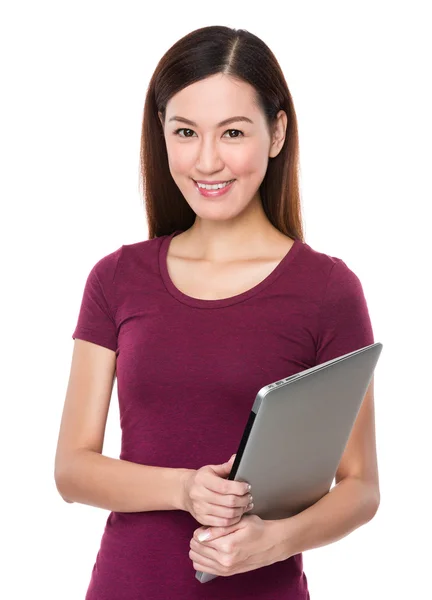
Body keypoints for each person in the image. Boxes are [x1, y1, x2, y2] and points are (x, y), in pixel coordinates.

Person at [54, 25, 380, 600]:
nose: (207, 160)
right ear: (163, 137)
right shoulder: (116, 279)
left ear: (277, 132)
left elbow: (360, 488)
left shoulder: (328, 290)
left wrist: (273, 542)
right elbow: (72, 470)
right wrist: (185, 489)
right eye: (185, 132)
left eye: (233, 132)